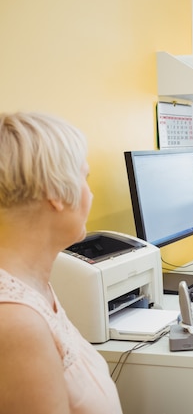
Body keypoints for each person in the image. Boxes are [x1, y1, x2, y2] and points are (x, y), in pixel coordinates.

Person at [0, 112, 123, 414]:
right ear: (55, 193)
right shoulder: (17, 324)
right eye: (85, 177)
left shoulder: (34, 284)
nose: (90, 193)